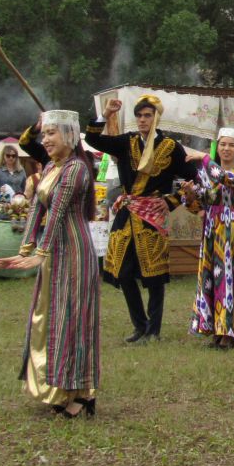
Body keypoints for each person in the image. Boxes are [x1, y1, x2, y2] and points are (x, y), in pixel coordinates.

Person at [0, 110, 100, 419]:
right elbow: (36, 211)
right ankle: (60, 389)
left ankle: (82, 393)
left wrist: (39, 252)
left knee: (73, 321)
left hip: (75, 253)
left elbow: (57, 212)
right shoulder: (53, 167)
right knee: (51, 319)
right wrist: (25, 249)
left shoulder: (77, 169)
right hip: (53, 253)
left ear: (69, 135)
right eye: (44, 134)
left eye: (51, 133)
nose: (45, 139)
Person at [78, 95, 194, 344]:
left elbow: (193, 178)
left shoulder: (172, 147)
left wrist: (172, 201)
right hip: (127, 212)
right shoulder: (126, 141)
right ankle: (140, 325)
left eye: (147, 115)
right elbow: (92, 139)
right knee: (122, 271)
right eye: (139, 116)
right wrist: (106, 114)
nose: (142, 120)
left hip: (153, 215)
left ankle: (154, 330)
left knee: (153, 275)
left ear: (156, 118)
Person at [183, 127, 234, 349]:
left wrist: (203, 157)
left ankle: (228, 333)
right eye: (222, 144)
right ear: (218, 147)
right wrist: (190, 193)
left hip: (230, 229)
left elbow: (222, 177)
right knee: (210, 279)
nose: (226, 149)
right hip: (211, 229)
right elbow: (197, 205)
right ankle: (214, 329)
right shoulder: (205, 174)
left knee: (229, 279)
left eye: (231, 145)